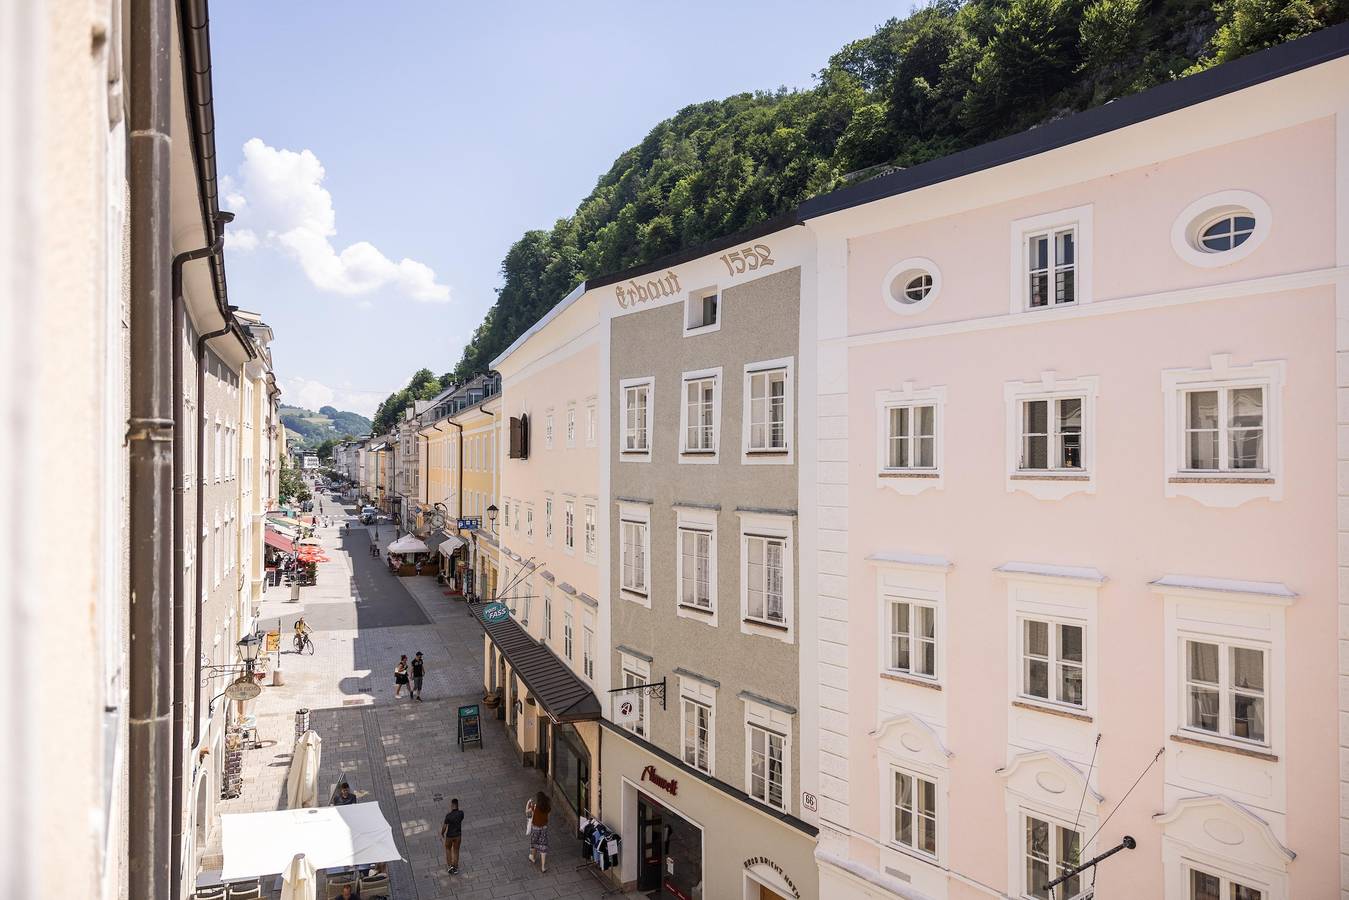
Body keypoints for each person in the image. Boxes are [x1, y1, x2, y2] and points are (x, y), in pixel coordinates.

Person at [525, 791, 551, 872]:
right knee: (543, 846)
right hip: (544, 828)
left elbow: (526, 812)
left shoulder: (535, 806)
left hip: (535, 828)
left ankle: (532, 857)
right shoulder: (547, 807)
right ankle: (543, 867)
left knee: (534, 843)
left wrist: (528, 803)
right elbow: (548, 818)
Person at [440, 798, 464, 874]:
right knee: (456, 851)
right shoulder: (461, 813)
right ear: (457, 805)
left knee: (448, 849)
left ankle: (450, 866)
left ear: (452, 805)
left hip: (449, 836)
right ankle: (455, 867)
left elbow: (444, 827)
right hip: (458, 835)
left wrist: (442, 833)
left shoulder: (448, 816)